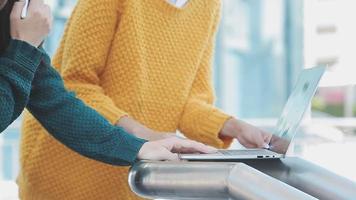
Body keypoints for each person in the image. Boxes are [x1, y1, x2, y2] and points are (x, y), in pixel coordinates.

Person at [21, 0, 273, 199]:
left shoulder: (209, 6)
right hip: (69, 166)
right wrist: (144, 134)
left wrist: (234, 127)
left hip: (139, 168)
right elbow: (76, 84)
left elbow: (190, 101)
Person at [0, 0, 216, 178]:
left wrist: (137, 147)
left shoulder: (15, 12)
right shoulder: (24, 28)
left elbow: (53, 100)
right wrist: (25, 47)